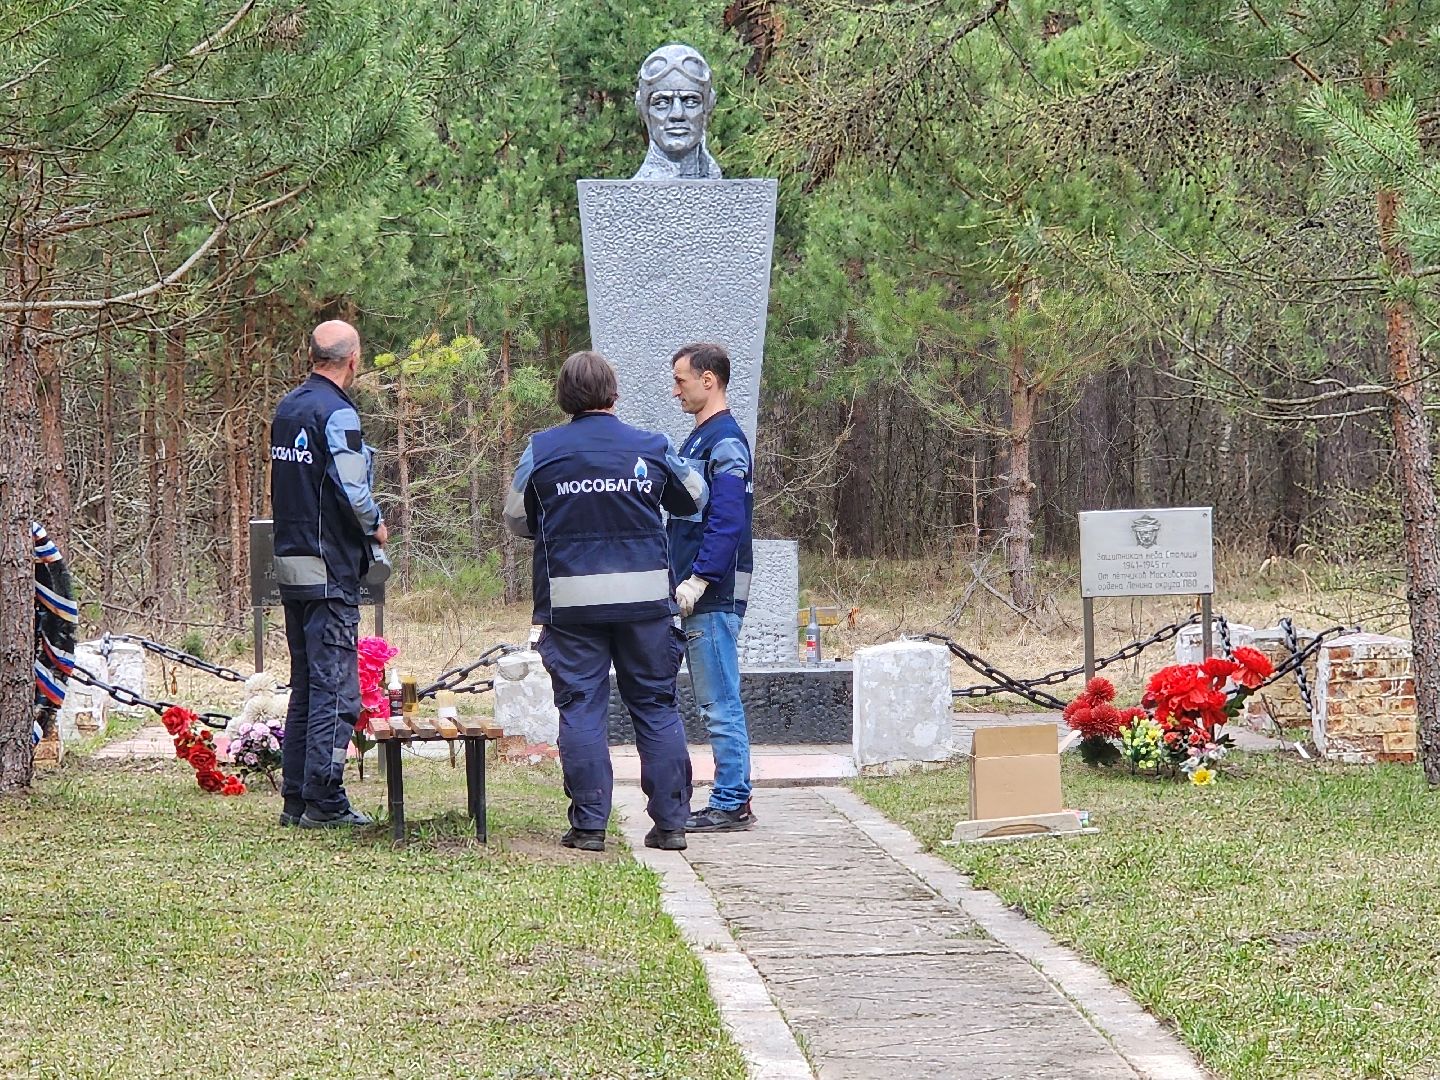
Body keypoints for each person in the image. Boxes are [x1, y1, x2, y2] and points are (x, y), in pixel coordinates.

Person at [504, 351, 708, 852]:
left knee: (581, 708)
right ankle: (672, 824)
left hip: (572, 606)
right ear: (614, 395)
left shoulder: (542, 450)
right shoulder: (651, 446)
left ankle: (590, 826)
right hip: (645, 605)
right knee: (656, 707)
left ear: (563, 398)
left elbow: (515, 517)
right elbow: (695, 496)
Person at [270, 319, 387, 829]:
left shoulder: (286, 408)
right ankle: (325, 799)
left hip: (291, 564)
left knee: (306, 685)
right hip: (329, 568)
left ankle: (295, 798)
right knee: (338, 689)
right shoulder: (337, 413)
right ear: (352, 361)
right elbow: (352, 487)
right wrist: (377, 526)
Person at [668, 342, 756, 832]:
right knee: (713, 700)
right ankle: (728, 796)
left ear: (709, 380)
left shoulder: (724, 441)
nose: (675, 389)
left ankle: (731, 800)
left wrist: (701, 577)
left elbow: (727, 517)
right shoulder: (698, 439)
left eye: (681, 380)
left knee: (720, 701)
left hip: (713, 594)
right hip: (694, 590)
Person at [632, 43, 722, 180]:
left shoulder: (723, 191)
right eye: (662, 103)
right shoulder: (630, 196)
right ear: (644, 111)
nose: (677, 114)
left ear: (707, 106)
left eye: (691, 101)